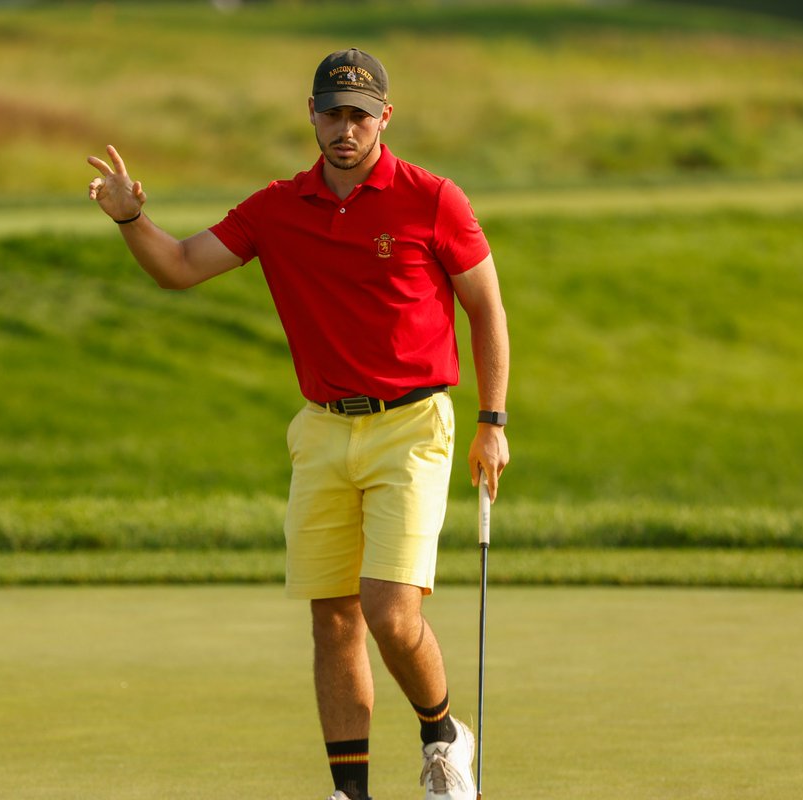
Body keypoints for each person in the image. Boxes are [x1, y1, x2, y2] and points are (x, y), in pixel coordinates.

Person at [87, 48, 509, 800]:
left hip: (413, 426)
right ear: (310, 114)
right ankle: (350, 791)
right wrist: (130, 218)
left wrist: (492, 420)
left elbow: (486, 307)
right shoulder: (277, 207)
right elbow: (179, 267)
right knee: (334, 621)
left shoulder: (432, 198)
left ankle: (444, 737)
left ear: (384, 117)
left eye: (358, 114)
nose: (344, 128)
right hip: (320, 431)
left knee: (388, 610)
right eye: (331, 112)